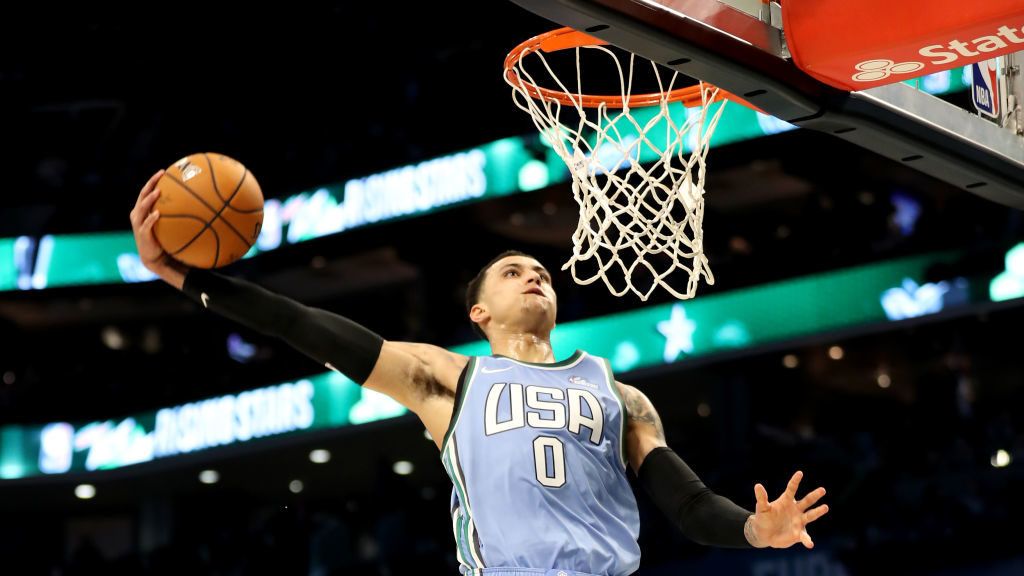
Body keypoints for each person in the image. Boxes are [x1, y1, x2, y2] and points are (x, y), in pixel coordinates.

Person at [131, 170, 829, 576]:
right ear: (479, 312)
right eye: (513, 271)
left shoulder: (621, 395)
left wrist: (754, 530)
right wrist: (192, 279)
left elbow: (689, 504)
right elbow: (305, 325)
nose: (534, 275)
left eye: (541, 271)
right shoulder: (449, 379)